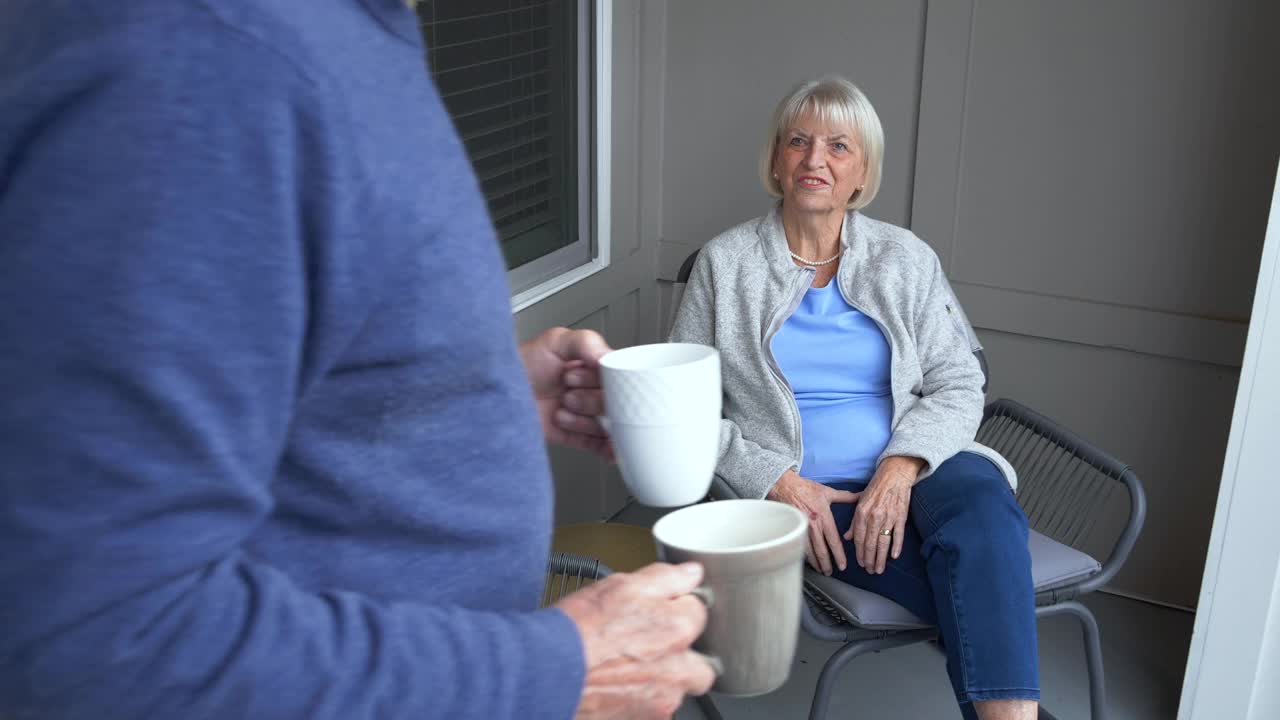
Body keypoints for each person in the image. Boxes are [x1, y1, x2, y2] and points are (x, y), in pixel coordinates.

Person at [0, 1, 713, 718]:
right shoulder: (208, 56)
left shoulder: (329, 42)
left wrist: (464, 395)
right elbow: (94, 643)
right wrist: (555, 673)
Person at [670, 75, 1039, 720]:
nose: (816, 160)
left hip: (923, 464)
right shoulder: (724, 265)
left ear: (862, 171)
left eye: (839, 146)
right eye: (798, 142)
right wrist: (779, 483)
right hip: (814, 493)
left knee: (985, 511)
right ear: (776, 161)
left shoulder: (906, 258)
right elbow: (685, 408)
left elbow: (959, 381)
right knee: (976, 574)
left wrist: (900, 469)